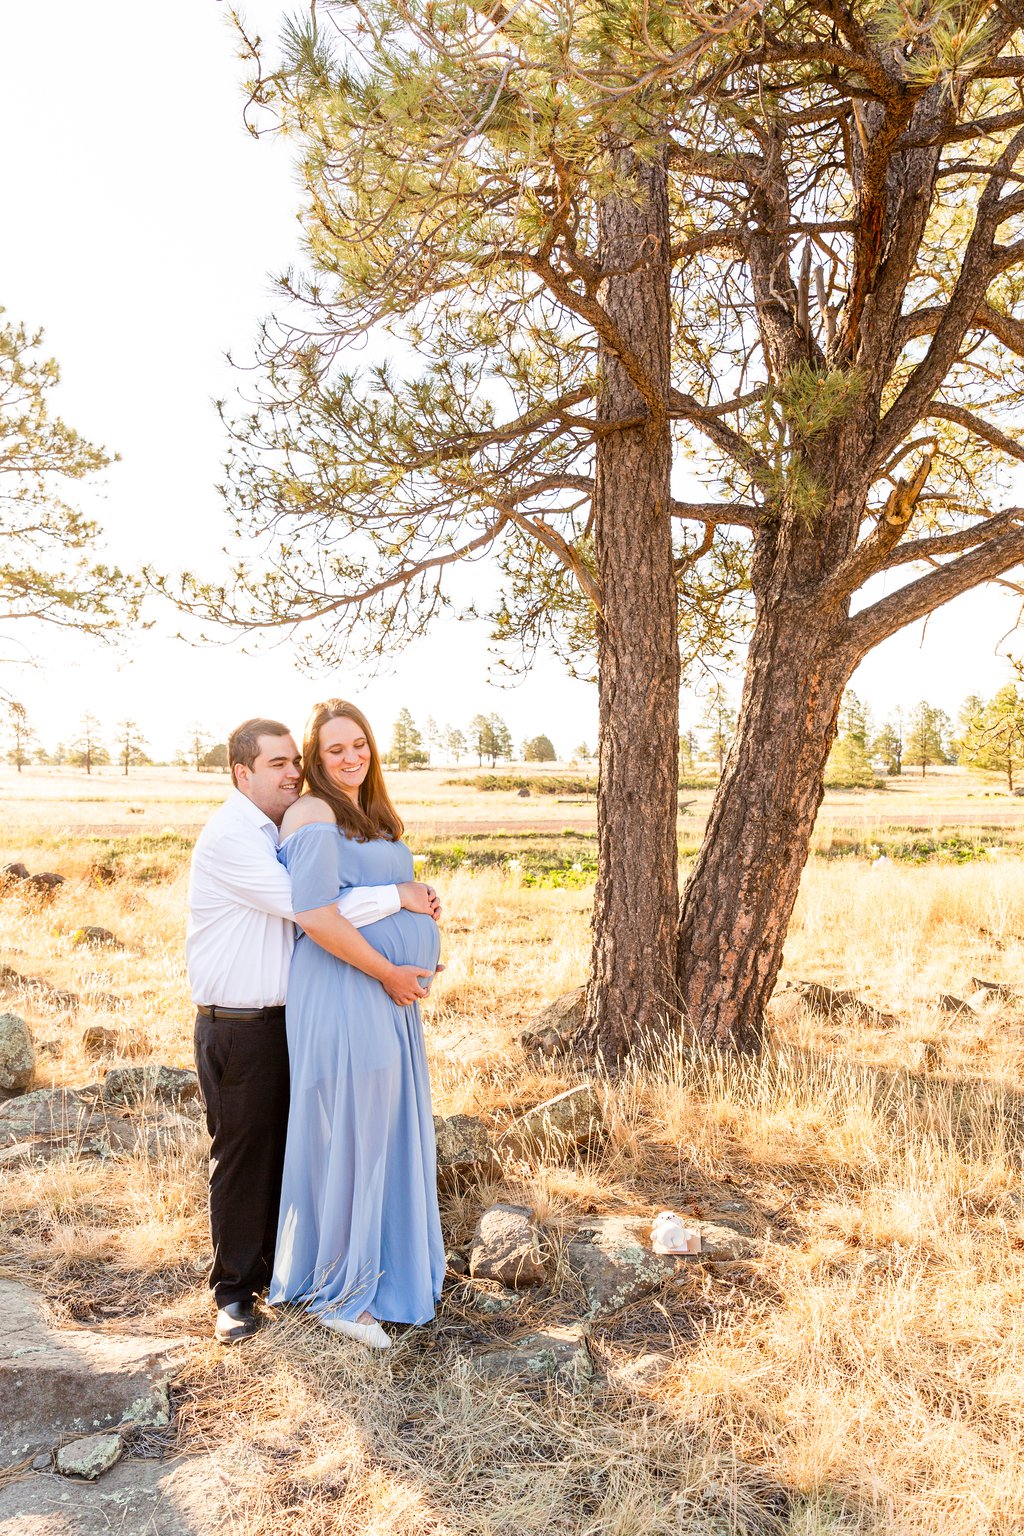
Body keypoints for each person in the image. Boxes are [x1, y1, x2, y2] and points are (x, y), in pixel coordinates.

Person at [186, 717, 440, 1346]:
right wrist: (398, 899)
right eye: (277, 764)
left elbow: (322, 900)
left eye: (293, 760)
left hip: (293, 1012)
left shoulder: (288, 824)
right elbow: (311, 907)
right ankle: (235, 1294)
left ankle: (293, 1270)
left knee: (306, 1146)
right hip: (240, 1023)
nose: (292, 772)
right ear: (242, 772)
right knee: (246, 1156)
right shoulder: (232, 838)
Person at [268, 699, 445, 1349]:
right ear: (315, 758)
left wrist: (417, 912)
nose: (350, 757)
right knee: (355, 1133)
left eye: (360, 744)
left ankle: (389, 1272)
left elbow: (364, 897)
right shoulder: (312, 812)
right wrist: (392, 959)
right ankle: (341, 1293)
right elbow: (315, 913)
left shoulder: (372, 815)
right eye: (335, 749)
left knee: (385, 1130)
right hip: (347, 988)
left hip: (385, 995)